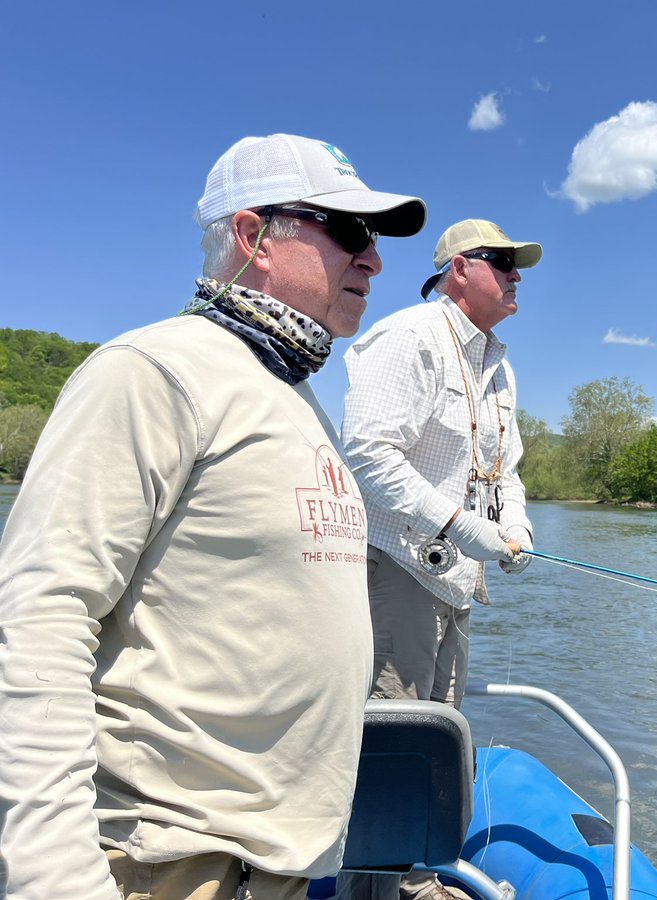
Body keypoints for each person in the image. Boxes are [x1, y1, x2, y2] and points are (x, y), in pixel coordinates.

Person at [0, 133, 426, 900]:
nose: (373, 261)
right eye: (350, 232)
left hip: (274, 865)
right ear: (252, 235)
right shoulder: (152, 372)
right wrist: (53, 878)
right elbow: (38, 620)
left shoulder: (294, 394)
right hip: (171, 860)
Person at [336, 219, 540, 900]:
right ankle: (373, 892)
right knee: (394, 741)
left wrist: (512, 523)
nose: (517, 275)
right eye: (503, 262)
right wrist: (458, 524)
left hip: (454, 582)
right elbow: (367, 454)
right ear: (458, 267)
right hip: (396, 566)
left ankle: (419, 882)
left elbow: (504, 469)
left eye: (519, 265)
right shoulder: (410, 338)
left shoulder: (499, 366)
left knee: (441, 728)